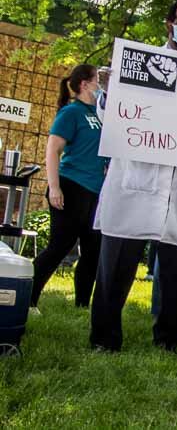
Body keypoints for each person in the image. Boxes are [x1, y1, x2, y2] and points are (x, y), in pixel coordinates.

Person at [90, 0, 177, 352]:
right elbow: (111, 116)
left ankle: (167, 341)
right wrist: (110, 92)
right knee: (116, 266)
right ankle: (104, 339)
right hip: (136, 182)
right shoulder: (139, 64)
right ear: (169, 25)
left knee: (174, 272)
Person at [29, 64, 106, 312]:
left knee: (93, 251)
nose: (101, 85)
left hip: (96, 191)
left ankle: (82, 305)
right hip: (71, 186)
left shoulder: (101, 113)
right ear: (84, 84)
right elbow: (53, 149)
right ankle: (27, 299)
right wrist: (54, 188)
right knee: (59, 247)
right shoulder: (72, 112)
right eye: (98, 80)